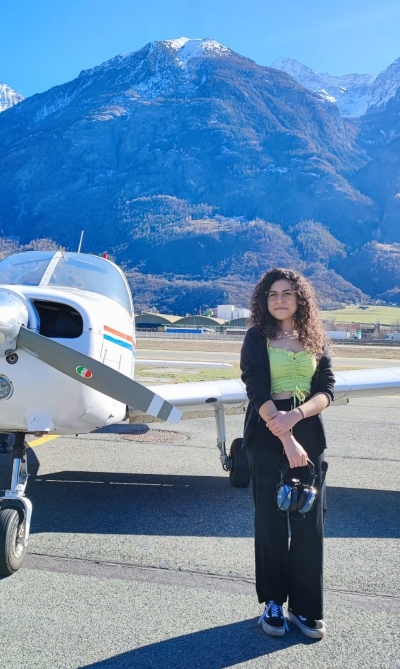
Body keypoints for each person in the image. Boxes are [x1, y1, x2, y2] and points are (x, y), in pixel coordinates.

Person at [240, 268, 335, 640]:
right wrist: (286, 437)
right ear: (265, 301)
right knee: (271, 522)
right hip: (267, 434)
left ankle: (307, 608)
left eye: (287, 293)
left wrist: (297, 416)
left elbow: (326, 389)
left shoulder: (315, 339)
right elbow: (256, 387)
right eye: (272, 294)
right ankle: (274, 604)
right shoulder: (256, 338)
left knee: (310, 523)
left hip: (309, 431)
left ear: (300, 299)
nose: (279, 300)